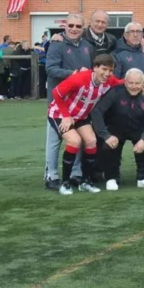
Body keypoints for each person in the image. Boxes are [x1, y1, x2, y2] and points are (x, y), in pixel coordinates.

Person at [50, 53, 124, 195]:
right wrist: (66, 116)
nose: (107, 74)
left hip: (81, 116)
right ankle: (65, 183)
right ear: (95, 67)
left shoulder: (109, 80)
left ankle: (85, 181)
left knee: (91, 141)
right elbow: (56, 93)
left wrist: (142, 83)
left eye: (110, 70)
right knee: (75, 141)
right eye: (104, 69)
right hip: (60, 114)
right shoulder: (79, 78)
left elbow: (122, 82)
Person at [90, 68, 144, 191]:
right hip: (116, 128)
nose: (134, 86)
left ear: (143, 83)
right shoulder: (115, 92)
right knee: (107, 145)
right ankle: (111, 178)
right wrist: (106, 135)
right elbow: (97, 112)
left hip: (138, 128)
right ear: (125, 82)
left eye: (137, 83)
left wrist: (143, 139)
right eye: (131, 83)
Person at [43, 13, 93, 190]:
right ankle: (51, 175)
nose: (74, 29)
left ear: (83, 28)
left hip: (78, 102)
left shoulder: (87, 46)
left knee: (78, 139)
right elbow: (51, 69)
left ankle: (75, 174)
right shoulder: (57, 44)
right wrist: (74, 74)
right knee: (55, 140)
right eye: (71, 25)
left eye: (78, 26)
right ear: (65, 26)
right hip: (58, 101)